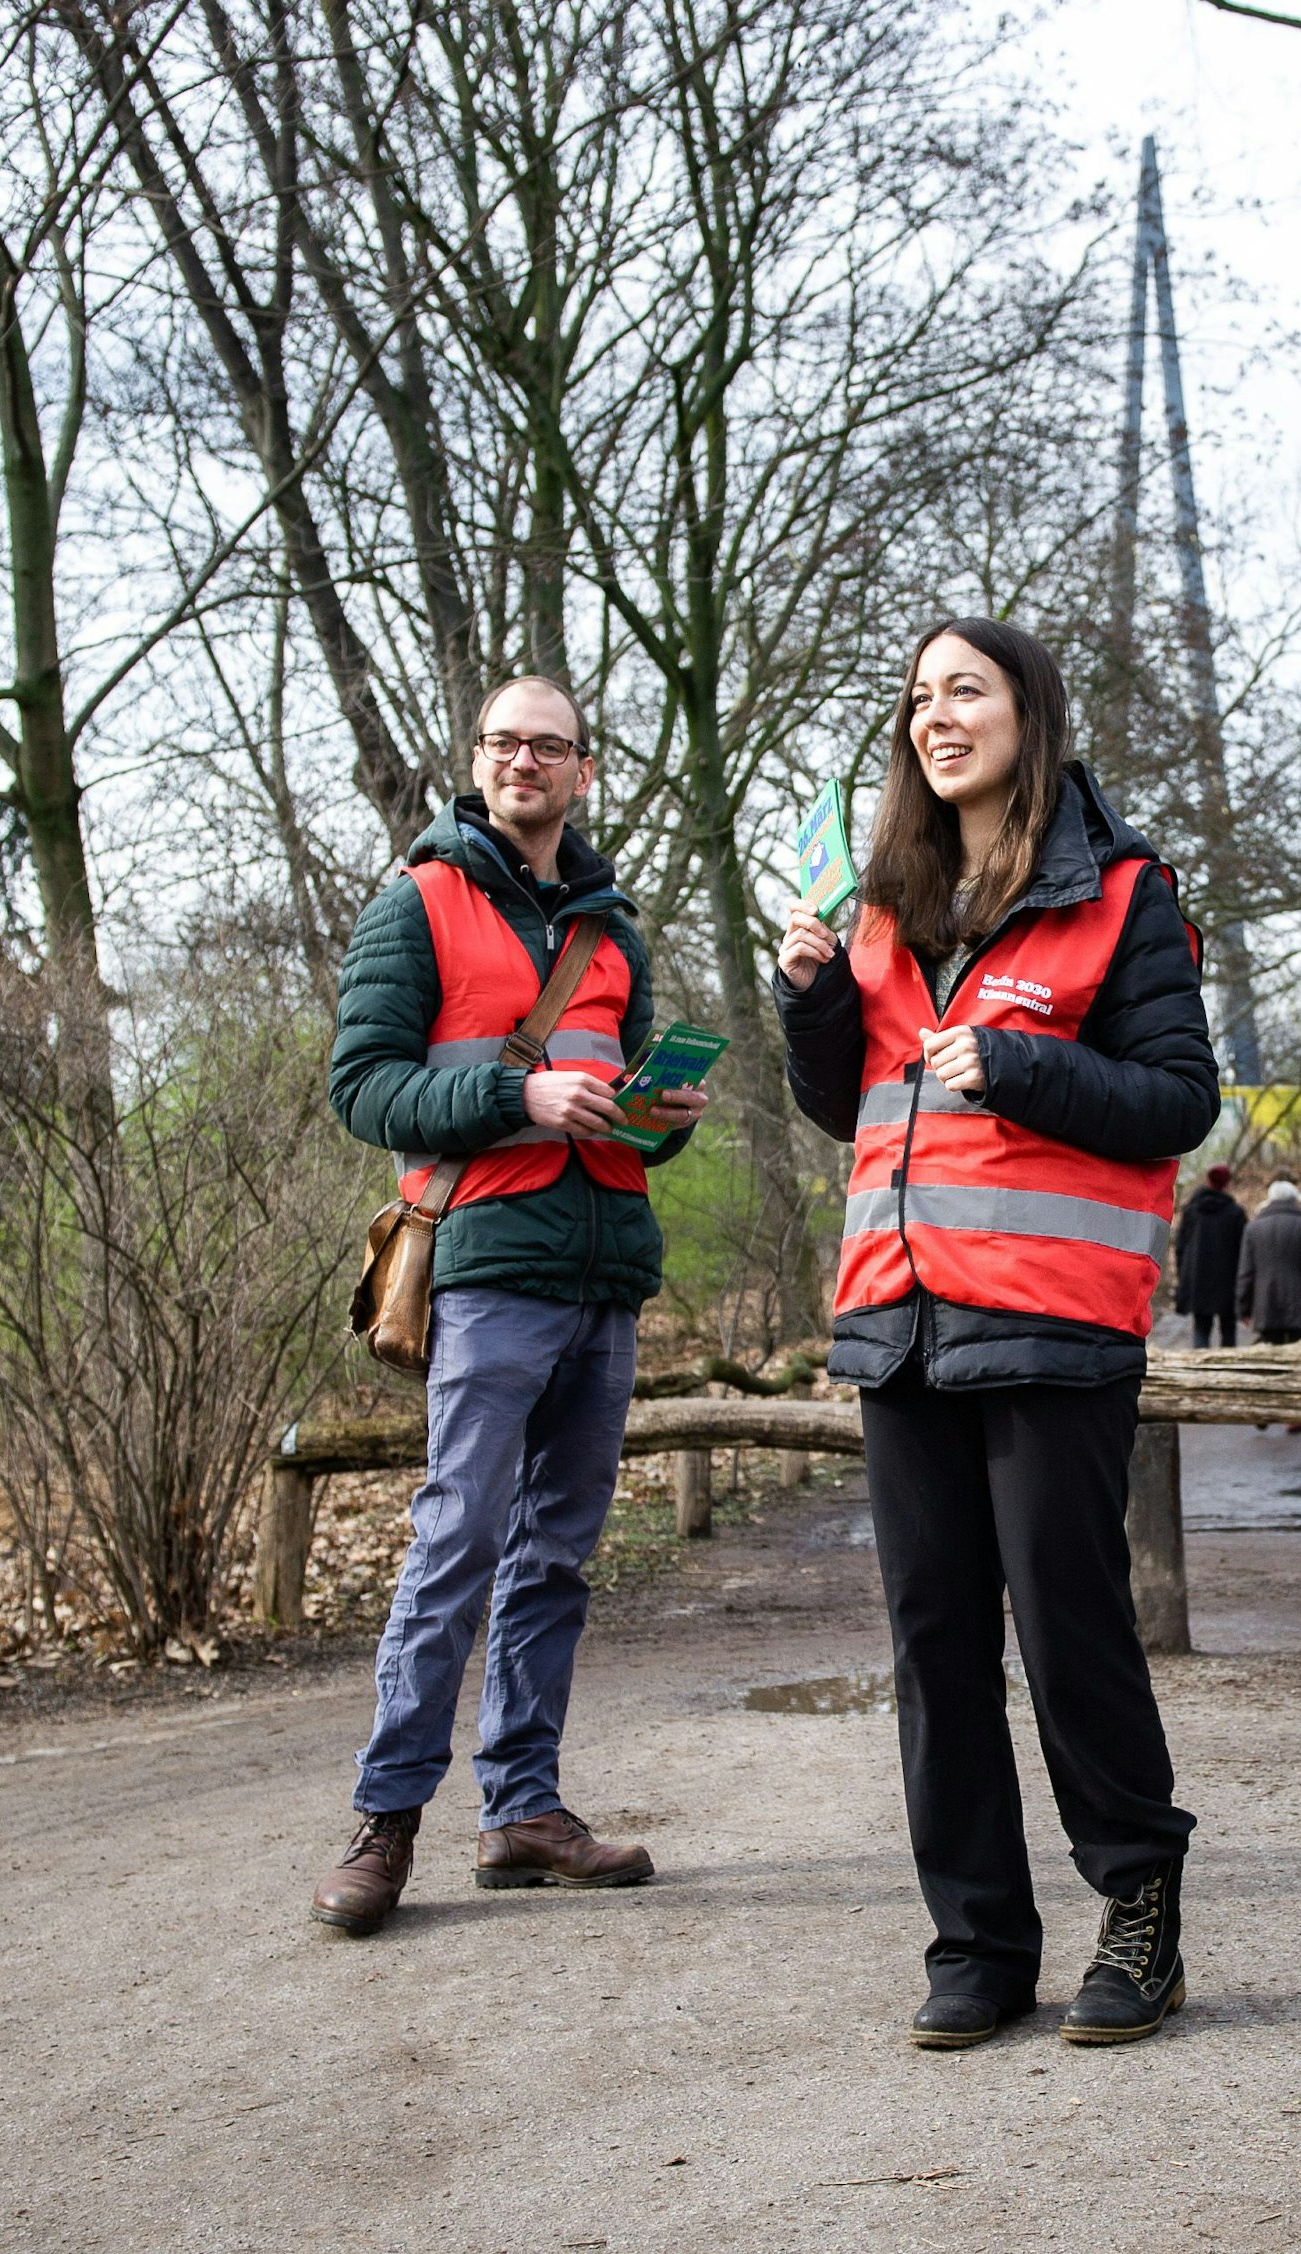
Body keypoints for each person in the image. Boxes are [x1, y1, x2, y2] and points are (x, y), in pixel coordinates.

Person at [775, 619, 1218, 2053]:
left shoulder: (1124, 891)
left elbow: (1175, 1100)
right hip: (898, 1321)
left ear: (1029, 709)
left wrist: (1023, 1063)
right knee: (934, 1641)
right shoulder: (886, 901)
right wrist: (813, 1007)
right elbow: (855, 1108)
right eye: (917, 695)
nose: (935, 715)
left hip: (1048, 1323)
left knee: (1074, 1632)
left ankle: (1137, 1909)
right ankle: (977, 1940)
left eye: (965, 688)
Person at [312, 676, 708, 1934]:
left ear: (580, 771)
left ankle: (522, 1810)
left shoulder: (611, 932)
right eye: (502, 742)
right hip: (484, 1270)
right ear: (477, 763)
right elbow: (364, 1087)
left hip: (603, 1275)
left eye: (546, 744)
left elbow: (624, 1112)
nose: (522, 759)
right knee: (454, 1545)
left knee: (554, 1558)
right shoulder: (414, 903)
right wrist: (512, 1094)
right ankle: (383, 1825)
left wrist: (660, 1123)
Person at [1174, 1164, 1246, 1347]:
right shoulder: (1235, 1213)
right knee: (1229, 1328)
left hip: (1198, 1278)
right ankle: (1229, 1370)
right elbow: (1243, 1250)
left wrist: (1183, 1276)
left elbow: (1181, 1246)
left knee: (1201, 1327)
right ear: (1228, 1184)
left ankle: (1201, 1369)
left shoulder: (1192, 1211)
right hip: (1227, 1280)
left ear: (1208, 1181)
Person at [1237, 1175, 1301, 1345]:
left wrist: (1243, 1308)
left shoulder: (1253, 1228)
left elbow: (1246, 1273)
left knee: (1272, 1359)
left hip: (1266, 1305)